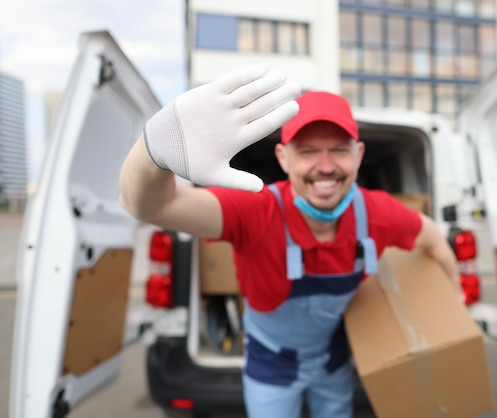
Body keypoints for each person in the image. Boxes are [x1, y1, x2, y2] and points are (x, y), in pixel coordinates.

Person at [119, 64, 459, 418]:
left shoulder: (378, 213)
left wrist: (453, 303)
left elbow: (433, 237)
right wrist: (155, 149)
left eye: (339, 150)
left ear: (358, 154)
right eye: (308, 151)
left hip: (334, 361)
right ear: (283, 158)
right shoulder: (256, 210)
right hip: (271, 367)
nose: (325, 166)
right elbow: (150, 205)